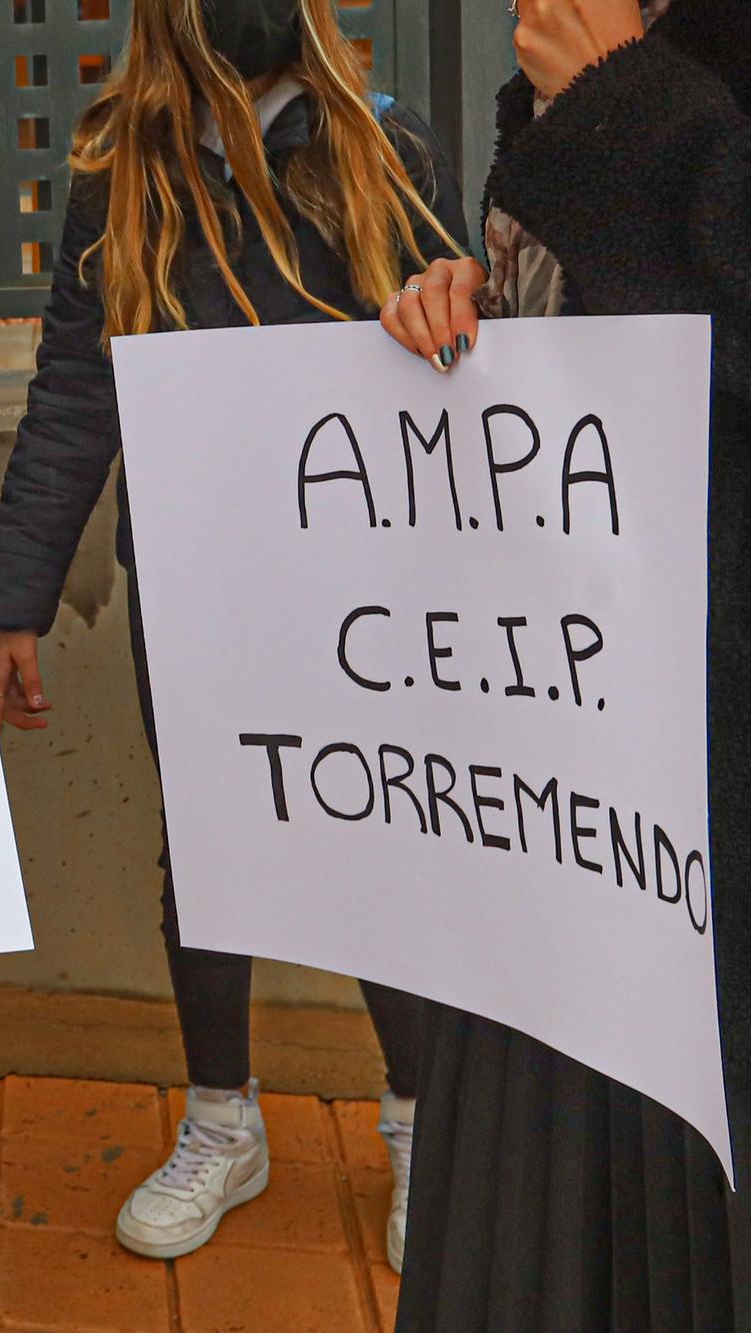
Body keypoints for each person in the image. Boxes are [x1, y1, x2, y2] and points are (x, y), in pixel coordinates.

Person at [0, 0, 467, 1268]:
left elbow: (467, 345)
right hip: (197, 579)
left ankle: (416, 1122)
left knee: (382, 837)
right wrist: (14, 597)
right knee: (206, 851)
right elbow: (75, 382)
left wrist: (438, 314)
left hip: (363, 585)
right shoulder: (121, 166)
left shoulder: (380, 144)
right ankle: (219, 1120)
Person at [378, 0, 751, 1324]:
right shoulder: (591, 69)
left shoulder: (643, 81)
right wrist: (466, 306)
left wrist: (622, 104)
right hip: (568, 782)